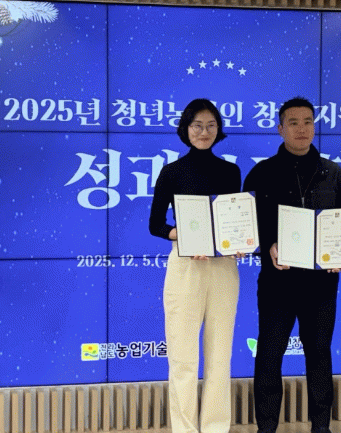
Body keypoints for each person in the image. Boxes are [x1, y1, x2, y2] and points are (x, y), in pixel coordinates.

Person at [243, 97, 341, 433]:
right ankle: (266, 427)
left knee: (319, 354)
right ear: (280, 129)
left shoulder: (332, 173)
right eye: (293, 122)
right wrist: (268, 246)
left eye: (308, 121)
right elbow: (247, 228)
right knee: (269, 354)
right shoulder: (262, 174)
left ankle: (321, 427)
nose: (302, 129)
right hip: (277, 283)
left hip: (321, 285)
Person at [149, 98, 242, 433]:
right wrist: (185, 236)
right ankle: (185, 428)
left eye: (211, 125)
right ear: (186, 129)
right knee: (183, 355)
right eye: (198, 125)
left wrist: (238, 241)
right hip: (186, 266)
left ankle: (216, 426)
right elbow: (155, 224)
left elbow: (233, 219)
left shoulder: (231, 171)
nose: (204, 132)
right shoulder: (172, 172)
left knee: (220, 355)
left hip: (223, 268)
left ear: (219, 130)